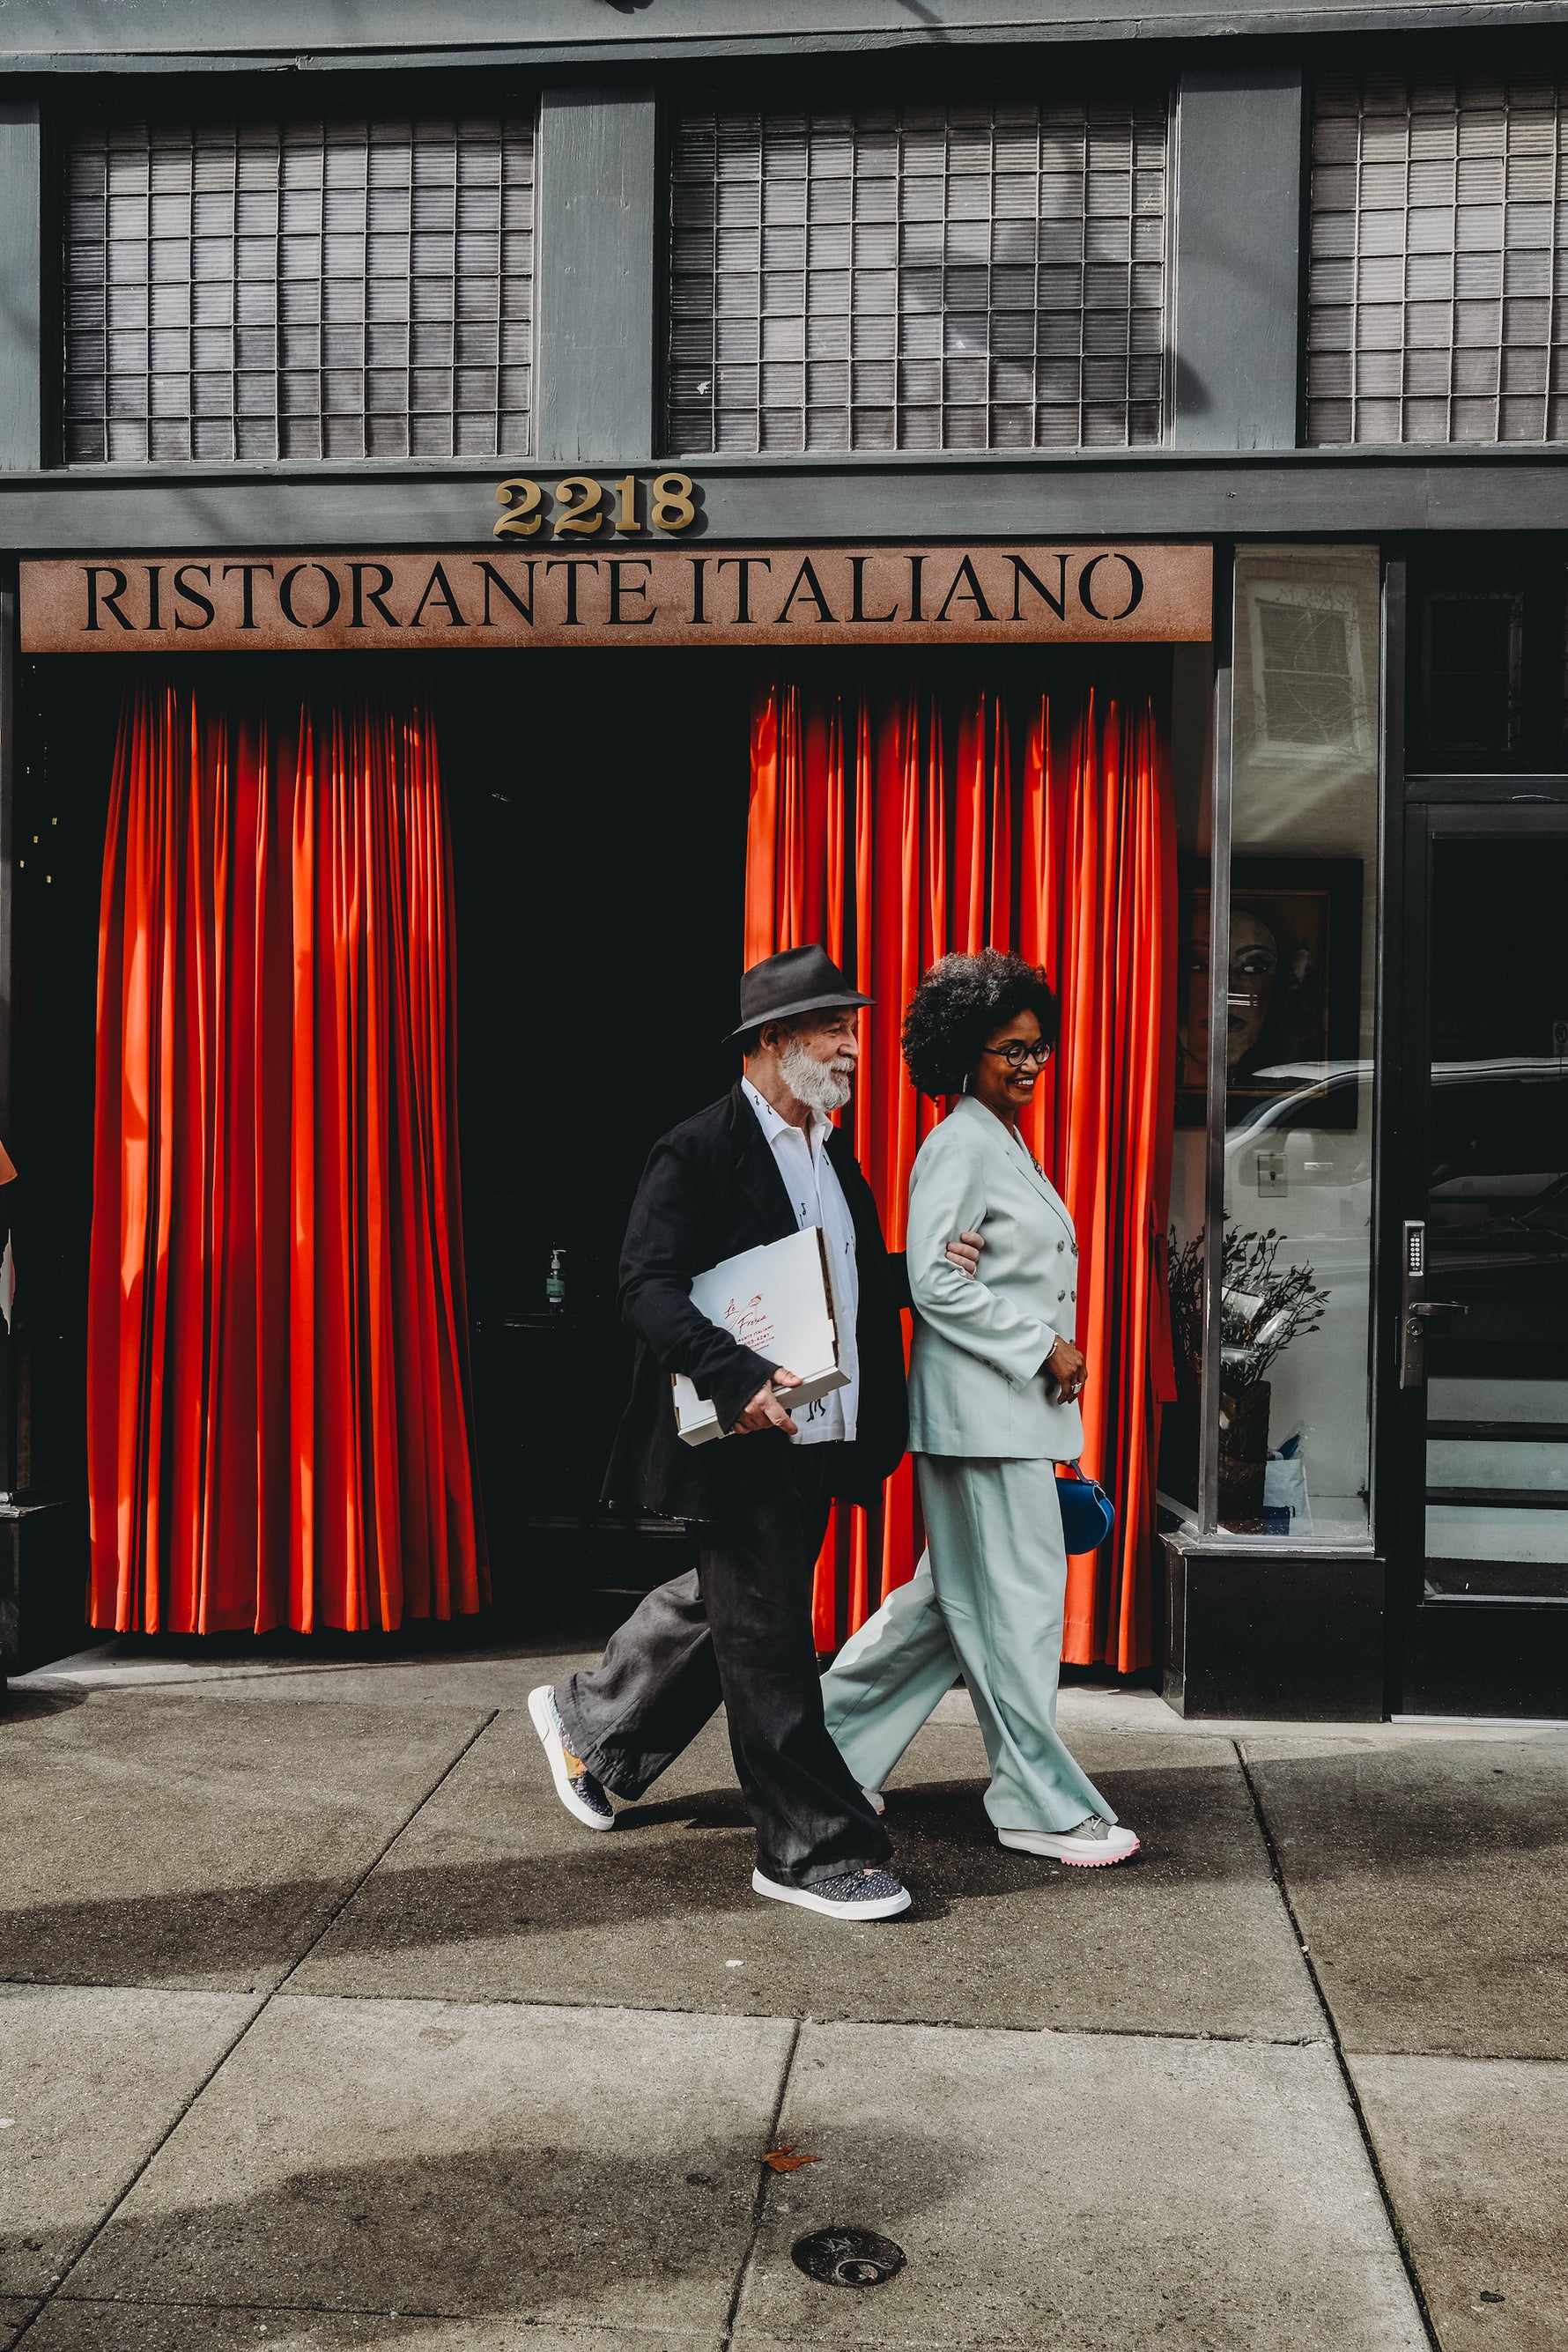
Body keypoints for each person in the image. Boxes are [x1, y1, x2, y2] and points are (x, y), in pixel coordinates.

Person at [529, 944, 976, 1922]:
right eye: (836, 1030)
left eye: (853, 1029)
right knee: (771, 1646)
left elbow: (842, 1284)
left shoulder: (827, 1151)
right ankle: (807, 1848)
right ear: (774, 1041)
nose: (855, 1048)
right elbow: (645, 1286)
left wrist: (923, 1269)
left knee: (733, 1610)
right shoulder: (699, 1147)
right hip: (743, 1439)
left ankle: (592, 1720)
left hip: (819, 1430)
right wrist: (734, 1377)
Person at [818, 947, 1140, 1867]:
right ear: (965, 1053)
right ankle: (1035, 1803)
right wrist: (1045, 1344)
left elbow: (964, 1272)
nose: (1031, 1064)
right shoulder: (960, 1140)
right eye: (1011, 1049)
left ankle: (820, 1755)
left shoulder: (995, 1138)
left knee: (941, 1610)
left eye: (1039, 1047)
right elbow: (931, 1278)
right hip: (984, 1417)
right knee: (1018, 1613)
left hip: (994, 1418)